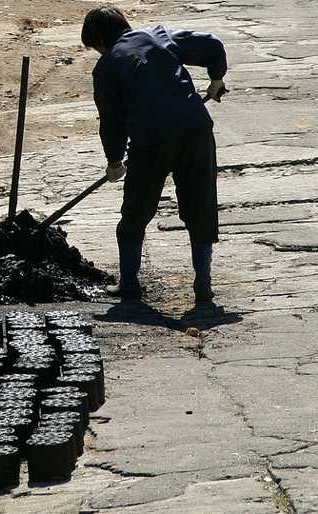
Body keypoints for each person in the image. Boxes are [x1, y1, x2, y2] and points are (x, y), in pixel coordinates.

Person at [81, 5, 228, 302]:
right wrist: (216, 78)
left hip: (151, 141)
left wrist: (114, 161)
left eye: (95, 47)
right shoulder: (158, 35)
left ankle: (129, 284)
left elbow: (112, 121)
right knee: (201, 207)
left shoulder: (107, 66)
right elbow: (211, 44)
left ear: (99, 40)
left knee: (135, 213)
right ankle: (203, 284)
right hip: (195, 129)